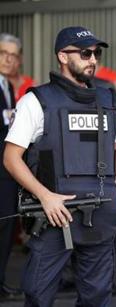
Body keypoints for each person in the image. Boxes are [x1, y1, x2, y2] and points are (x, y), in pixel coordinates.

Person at [3, 26, 116, 306]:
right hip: (54, 214)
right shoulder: (37, 101)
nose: (93, 59)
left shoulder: (107, 99)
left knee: (97, 296)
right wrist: (45, 196)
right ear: (63, 55)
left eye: (96, 53)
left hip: (100, 211)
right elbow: (11, 158)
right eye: (85, 53)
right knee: (38, 293)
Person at [0, 32, 22, 302]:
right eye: (2, 53)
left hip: (7, 173)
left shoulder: (8, 87)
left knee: (6, 231)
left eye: (12, 55)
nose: (7, 59)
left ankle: (2, 282)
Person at [2, 33, 35, 101]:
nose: (8, 60)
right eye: (3, 53)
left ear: (20, 59)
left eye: (13, 55)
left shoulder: (30, 86)